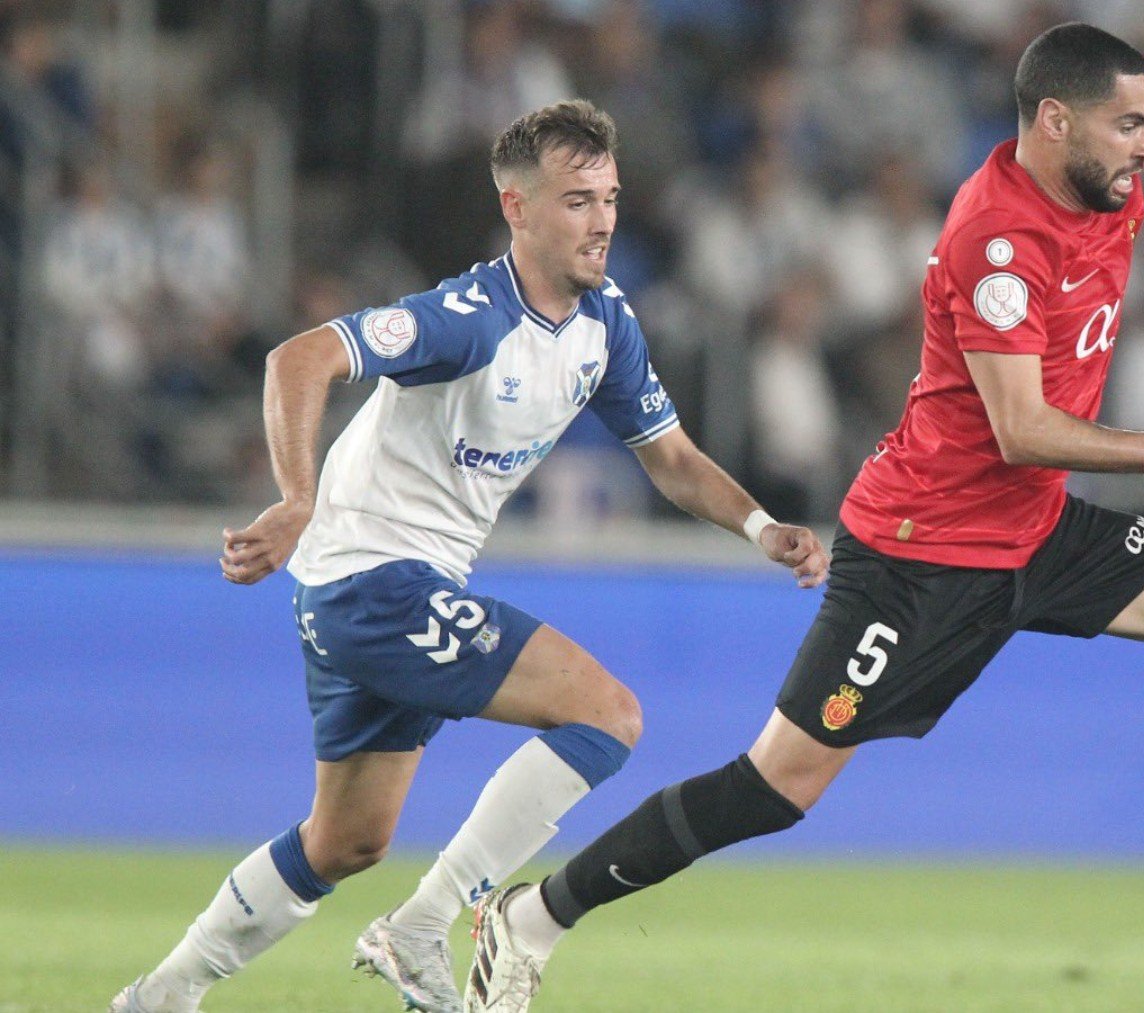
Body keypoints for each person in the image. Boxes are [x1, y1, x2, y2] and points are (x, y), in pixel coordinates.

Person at [468, 11, 1144, 1011]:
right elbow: (1021, 427)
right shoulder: (998, 239)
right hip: (921, 551)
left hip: (1034, 525)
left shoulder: (1094, 159)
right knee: (774, 786)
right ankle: (529, 918)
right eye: (1131, 129)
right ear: (1058, 122)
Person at [109, 99, 827, 1013]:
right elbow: (298, 359)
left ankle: (159, 998)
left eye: (609, 196)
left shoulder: (606, 325)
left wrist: (764, 528)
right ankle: (423, 925)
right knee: (606, 715)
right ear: (517, 208)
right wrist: (296, 496)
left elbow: (674, 460)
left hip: (378, 590)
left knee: (347, 840)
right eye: (576, 200)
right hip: (375, 581)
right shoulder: (468, 317)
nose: (603, 219)